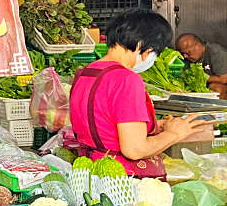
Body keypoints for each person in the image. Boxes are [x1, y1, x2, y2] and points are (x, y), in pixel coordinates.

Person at [70, 10, 209, 178]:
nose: (153, 57)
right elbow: (135, 150)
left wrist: (154, 125)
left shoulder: (85, 73)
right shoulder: (126, 79)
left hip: (89, 171)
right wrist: (174, 134)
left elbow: (101, 122)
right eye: (154, 52)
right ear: (140, 45)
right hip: (122, 178)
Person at [176, 33, 227, 99]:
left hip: (221, 87)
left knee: (216, 88)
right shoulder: (185, 58)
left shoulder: (216, 53)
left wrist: (199, 78)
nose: (185, 56)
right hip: (198, 88)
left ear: (198, 47)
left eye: (187, 53)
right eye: (182, 53)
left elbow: (223, 79)